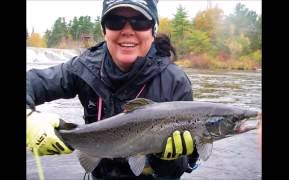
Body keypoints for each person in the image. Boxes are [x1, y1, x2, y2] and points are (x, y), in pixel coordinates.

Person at [26, 0, 199, 179]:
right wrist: (28, 118)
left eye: (140, 22)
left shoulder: (176, 82)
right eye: (115, 21)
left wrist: (167, 160)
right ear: (104, 30)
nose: (127, 30)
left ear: (153, 31)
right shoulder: (85, 67)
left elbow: (177, 171)